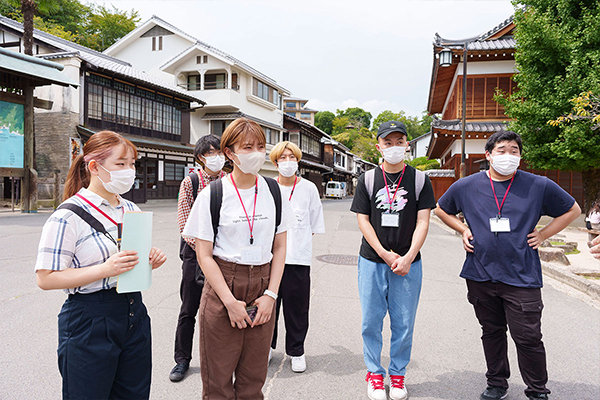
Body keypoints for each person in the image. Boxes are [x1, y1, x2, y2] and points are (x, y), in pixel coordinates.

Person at [435, 131, 581, 400]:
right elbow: (441, 209)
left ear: (520, 156)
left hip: (521, 275)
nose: (508, 156)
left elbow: (573, 210)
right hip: (480, 273)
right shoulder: (467, 186)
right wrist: (462, 229)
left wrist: (545, 234)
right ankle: (497, 383)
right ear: (488, 155)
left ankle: (537, 390)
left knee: (528, 337)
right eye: (501, 150)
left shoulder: (538, 185)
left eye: (514, 150)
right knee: (491, 332)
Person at [35, 130, 167, 399]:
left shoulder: (130, 208)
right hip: (89, 318)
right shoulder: (67, 216)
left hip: (133, 312)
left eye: (132, 164)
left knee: (134, 393)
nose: (129, 171)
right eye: (121, 164)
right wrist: (106, 269)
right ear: (95, 166)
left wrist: (148, 259)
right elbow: (46, 278)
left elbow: (129, 259)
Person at [182, 118, 293, 399]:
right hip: (223, 284)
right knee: (218, 383)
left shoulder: (274, 191)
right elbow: (203, 254)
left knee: (253, 381)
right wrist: (229, 302)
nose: (256, 152)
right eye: (247, 147)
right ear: (230, 153)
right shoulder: (213, 193)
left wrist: (271, 295)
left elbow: (280, 248)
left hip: (263, 284)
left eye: (260, 146)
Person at [350, 121, 436, 400]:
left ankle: (397, 375)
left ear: (407, 145)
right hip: (373, 261)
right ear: (379, 146)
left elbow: (423, 222)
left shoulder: (420, 180)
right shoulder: (368, 179)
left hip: (409, 264)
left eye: (399, 141)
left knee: (404, 322)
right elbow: (363, 221)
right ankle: (375, 374)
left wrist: (408, 257)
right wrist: (385, 254)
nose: (394, 147)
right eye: (388, 143)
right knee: (370, 321)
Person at [170, 134, 226, 382]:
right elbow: (185, 223)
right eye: (211, 153)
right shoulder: (191, 182)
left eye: (220, 152)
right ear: (201, 157)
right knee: (189, 309)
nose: (217, 158)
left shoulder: (230, 182)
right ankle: (182, 359)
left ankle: (219, 361)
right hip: (195, 256)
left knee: (219, 311)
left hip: (224, 255)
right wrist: (205, 250)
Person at [268, 141, 325, 372]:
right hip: (269, 259)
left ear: (298, 161)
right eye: (283, 158)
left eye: (292, 157)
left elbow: (312, 223)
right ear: (275, 162)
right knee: (268, 306)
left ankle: (296, 351)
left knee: (297, 308)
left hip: (298, 259)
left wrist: (296, 241)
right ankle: (266, 348)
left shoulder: (309, 188)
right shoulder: (267, 186)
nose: (288, 162)